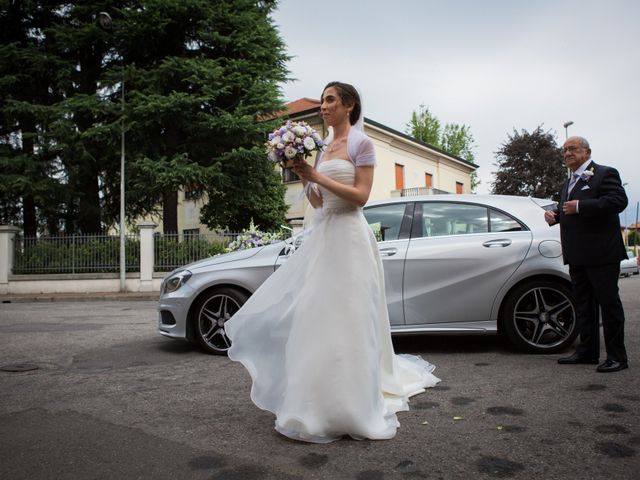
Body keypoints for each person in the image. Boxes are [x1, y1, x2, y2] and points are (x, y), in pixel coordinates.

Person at [225, 81, 440, 443]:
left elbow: (360, 198)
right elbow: (319, 203)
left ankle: (354, 405)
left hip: (351, 240)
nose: (324, 106)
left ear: (349, 105)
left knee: (350, 319)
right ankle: (314, 402)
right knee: (315, 316)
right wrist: (305, 174)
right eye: (323, 100)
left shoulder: (362, 143)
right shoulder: (322, 149)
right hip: (324, 240)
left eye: (330, 100)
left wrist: (317, 175)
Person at [544, 136, 628, 373]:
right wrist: (556, 216)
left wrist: (580, 206)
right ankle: (587, 352)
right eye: (564, 151)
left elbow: (618, 201)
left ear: (587, 152)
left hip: (602, 254)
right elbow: (568, 210)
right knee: (584, 306)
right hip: (577, 254)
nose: (567, 154)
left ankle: (617, 357)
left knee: (609, 305)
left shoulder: (605, 173)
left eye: (572, 149)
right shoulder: (568, 182)